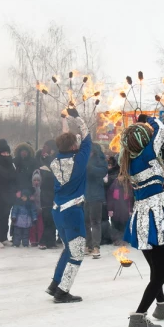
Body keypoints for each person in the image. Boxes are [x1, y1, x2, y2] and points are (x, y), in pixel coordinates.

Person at [119, 112, 164, 327]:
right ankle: (138, 317)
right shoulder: (147, 154)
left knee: (155, 269)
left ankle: (162, 306)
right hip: (154, 217)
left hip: (141, 217)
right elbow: (160, 129)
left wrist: (141, 124)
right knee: (161, 274)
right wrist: (150, 119)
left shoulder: (127, 157)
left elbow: (152, 132)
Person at [45, 107, 92, 303]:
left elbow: (75, 141)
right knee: (78, 253)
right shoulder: (79, 160)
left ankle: (55, 283)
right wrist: (77, 116)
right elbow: (87, 137)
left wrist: (67, 122)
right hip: (73, 211)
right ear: (73, 147)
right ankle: (63, 291)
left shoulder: (55, 161)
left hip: (57, 210)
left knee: (68, 248)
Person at [84, 143, 108, 259]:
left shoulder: (101, 160)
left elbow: (102, 172)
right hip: (85, 195)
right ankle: (88, 245)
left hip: (96, 195)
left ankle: (96, 247)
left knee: (95, 222)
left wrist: (90, 168)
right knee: (85, 222)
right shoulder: (85, 159)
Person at [0, 139, 16, 248]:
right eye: (3, 153)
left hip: (8, 194)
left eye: (7, 153)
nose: (6, 155)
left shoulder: (12, 164)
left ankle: (3, 237)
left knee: (6, 216)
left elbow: (15, 178)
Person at [106, 156, 131, 246]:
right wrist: (110, 209)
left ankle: (125, 239)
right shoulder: (114, 185)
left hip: (125, 210)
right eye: (120, 175)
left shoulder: (128, 186)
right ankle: (116, 240)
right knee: (115, 225)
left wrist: (131, 210)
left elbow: (131, 198)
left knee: (125, 225)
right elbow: (110, 197)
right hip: (116, 210)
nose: (121, 177)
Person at [38, 141, 58, 250]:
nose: (43, 149)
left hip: (52, 193)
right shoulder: (42, 159)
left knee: (51, 218)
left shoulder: (53, 160)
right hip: (46, 193)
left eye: (45, 147)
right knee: (47, 218)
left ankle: (49, 241)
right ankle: (47, 240)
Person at [29, 170, 43, 246]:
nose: (36, 182)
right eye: (34, 180)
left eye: (38, 180)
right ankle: (33, 240)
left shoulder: (42, 189)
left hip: (40, 210)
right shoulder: (30, 189)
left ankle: (40, 239)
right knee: (32, 227)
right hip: (32, 211)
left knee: (40, 226)